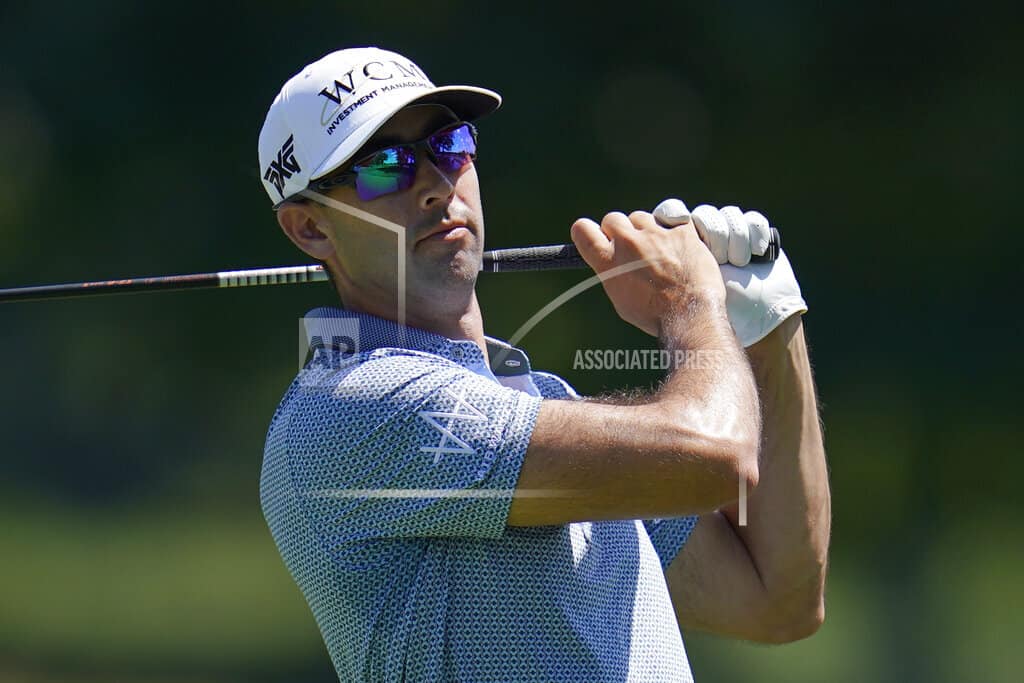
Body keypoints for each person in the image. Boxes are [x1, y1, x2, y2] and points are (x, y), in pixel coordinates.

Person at [257, 46, 830, 682]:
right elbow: (715, 458)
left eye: (449, 146)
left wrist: (769, 334)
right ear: (310, 229)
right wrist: (692, 305)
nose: (434, 184)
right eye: (384, 166)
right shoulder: (354, 407)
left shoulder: (539, 402)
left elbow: (777, 598)